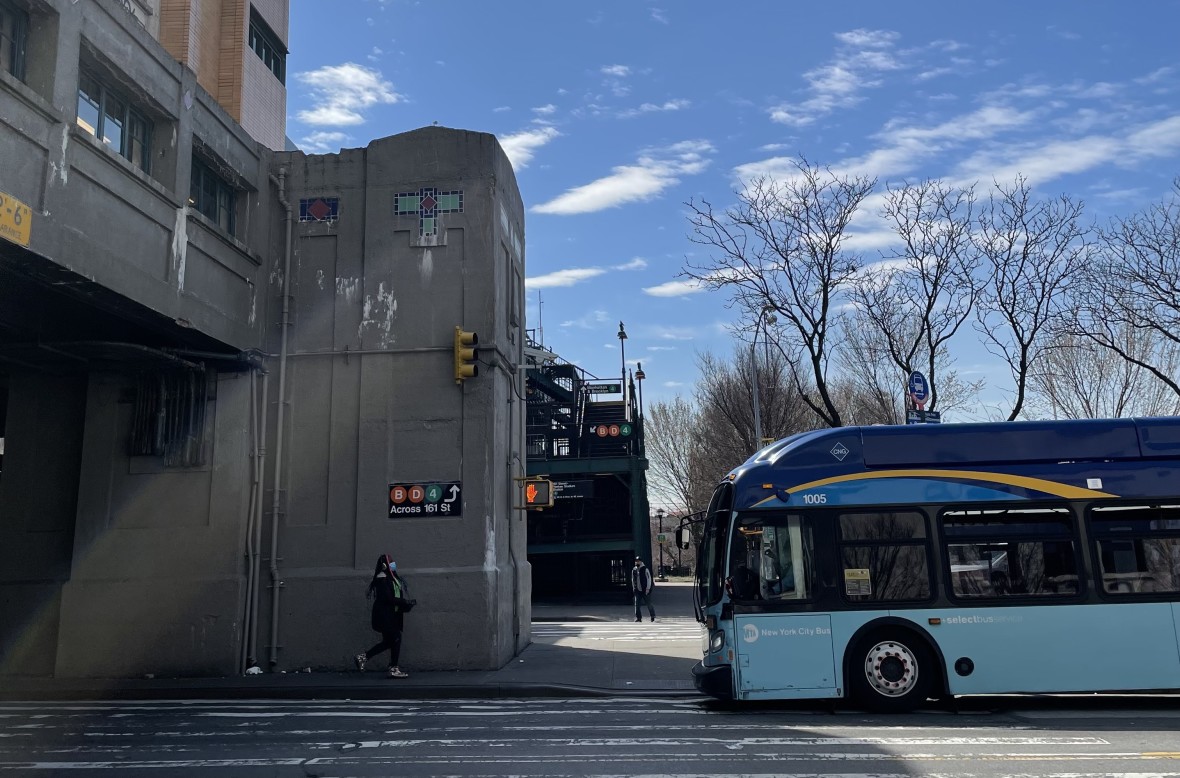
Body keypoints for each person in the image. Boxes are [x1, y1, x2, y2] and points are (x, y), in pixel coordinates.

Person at [354, 554, 415, 678]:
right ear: (384, 565)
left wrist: (406, 604)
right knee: (396, 638)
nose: (393, 564)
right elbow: (388, 598)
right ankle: (393, 668)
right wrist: (404, 602)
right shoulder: (382, 579)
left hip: (393, 615)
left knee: (389, 641)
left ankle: (363, 657)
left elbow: (396, 596)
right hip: (385, 616)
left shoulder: (392, 578)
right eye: (390, 562)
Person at [631, 556, 656, 622]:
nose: (637, 562)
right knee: (637, 604)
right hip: (637, 590)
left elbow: (649, 579)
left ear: (641, 561)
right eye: (636, 561)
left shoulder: (645, 569)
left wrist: (648, 588)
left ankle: (652, 616)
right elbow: (633, 579)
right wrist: (634, 587)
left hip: (645, 589)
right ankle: (638, 618)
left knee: (648, 603)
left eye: (638, 561)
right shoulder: (634, 570)